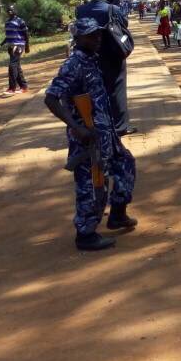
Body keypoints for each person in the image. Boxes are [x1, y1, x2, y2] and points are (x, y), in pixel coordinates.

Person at [44, 18, 137, 251]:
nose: (97, 39)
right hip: (87, 138)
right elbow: (51, 98)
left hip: (106, 133)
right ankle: (85, 234)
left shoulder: (92, 60)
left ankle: (117, 214)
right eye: (91, 35)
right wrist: (77, 127)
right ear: (79, 38)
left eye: (99, 35)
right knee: (92, 185)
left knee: (125, 165)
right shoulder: (73, 64)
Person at [76, 0, 136, 135]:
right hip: (113, 54)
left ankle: (97, 124)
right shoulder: (113, 9)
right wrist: (114, 4)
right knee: (117, 89)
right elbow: (124, 25)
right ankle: (120, 127)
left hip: (89, 56)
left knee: (93, 90)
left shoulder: (80, 10)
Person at [0, 5, 30, 97]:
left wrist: (27, 46)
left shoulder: (20, 21)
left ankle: (12, 88)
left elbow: (26, 34)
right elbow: (8, 36)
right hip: (11, 46)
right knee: (17, 66)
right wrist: (1, 44)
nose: (10, 12)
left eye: (11, 10)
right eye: (8, 10)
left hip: (18, 46)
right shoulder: (7, 22)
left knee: (12, 66)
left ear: (15, 11)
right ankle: (23, 87)